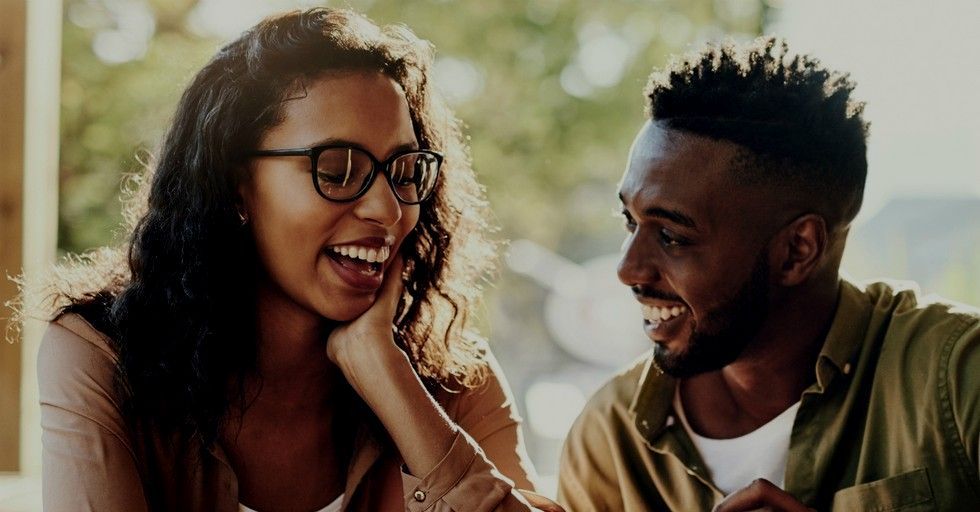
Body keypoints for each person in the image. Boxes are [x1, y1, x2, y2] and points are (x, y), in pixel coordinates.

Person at [32, 8, 562, 512]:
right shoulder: (103, 359)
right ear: (237, 186)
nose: (389, 208)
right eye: (336, 169)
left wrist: (391, 380)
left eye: (404, 171)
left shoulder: (450, 373)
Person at [557, 38, 980, 511]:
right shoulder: (611, 440)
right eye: (630, 223)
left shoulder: (961, 379)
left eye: (672, 236)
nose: (626, 269)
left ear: (797, 250)